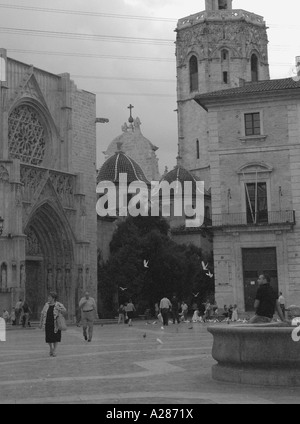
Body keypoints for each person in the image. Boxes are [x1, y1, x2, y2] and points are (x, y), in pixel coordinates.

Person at [39, 291, 67, 357]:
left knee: (56, 337)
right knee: (48, 337)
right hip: (48, 323)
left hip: (55, 323)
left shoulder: (58, 304)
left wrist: (59, 309)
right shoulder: (46, 305)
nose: (48, 298)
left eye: (49, 297)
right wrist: (40, 322)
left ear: (53, 298)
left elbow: (64, 311)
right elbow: (42, 313)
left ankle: (54, 350)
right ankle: (51, 348)